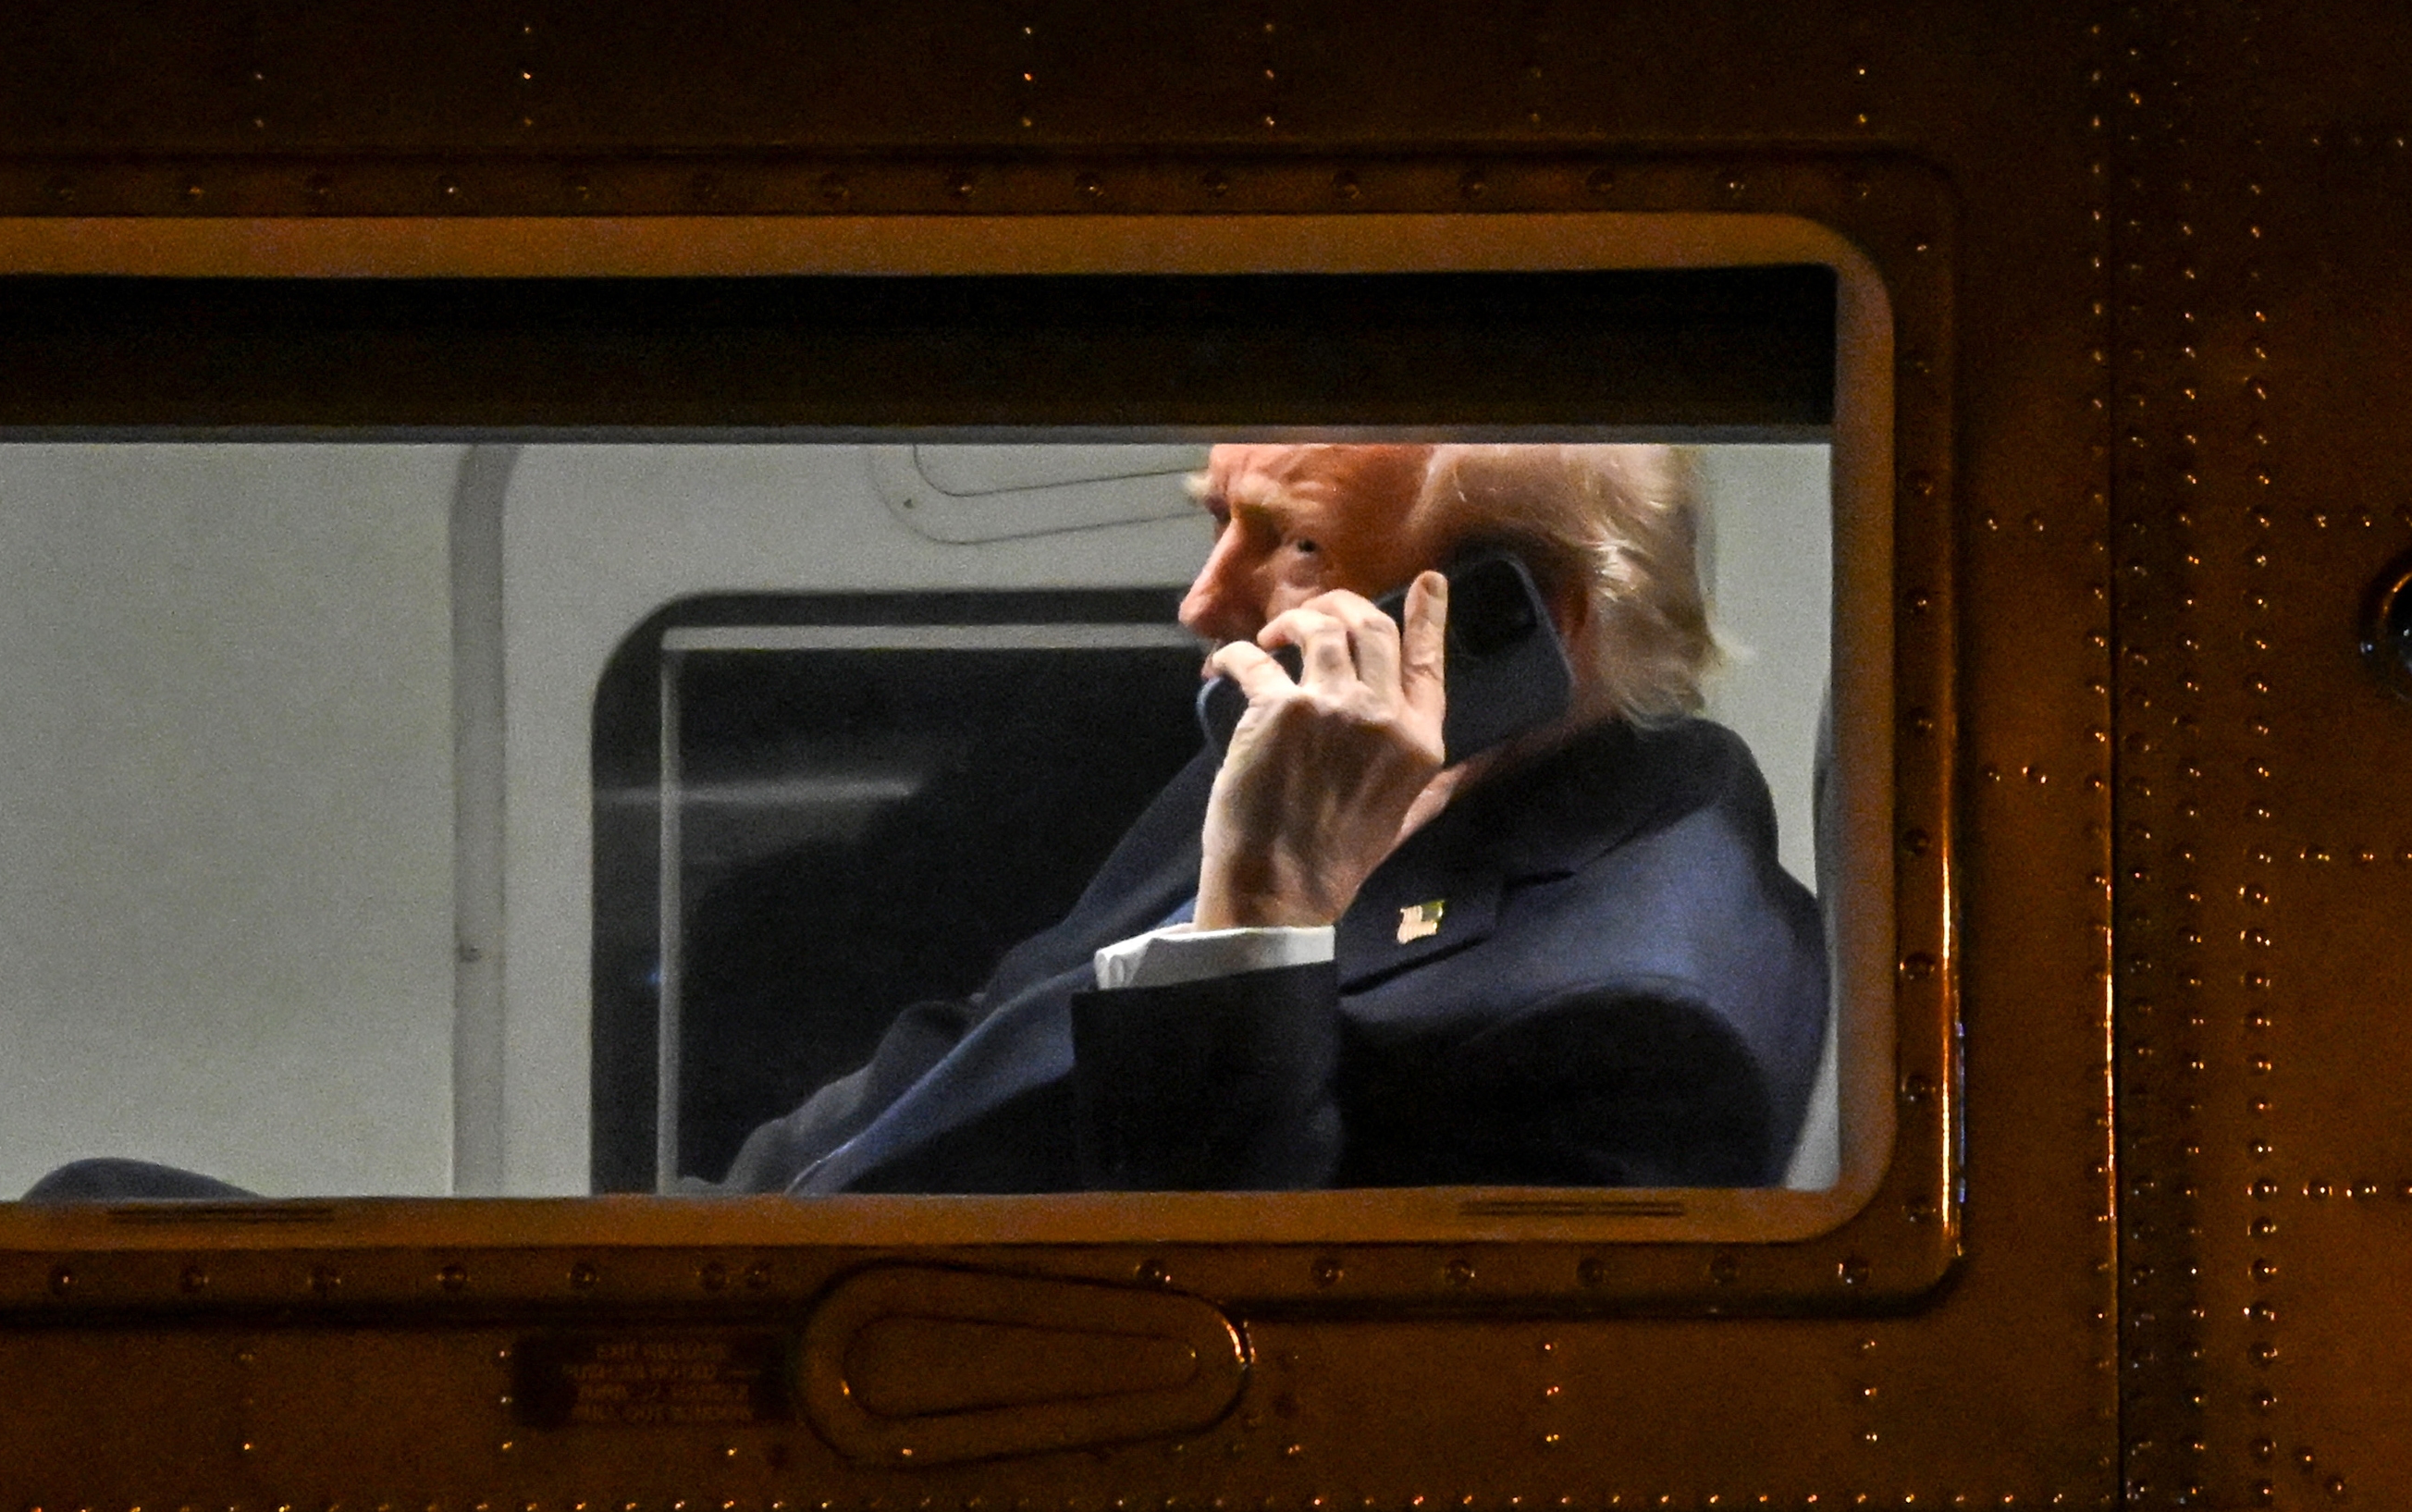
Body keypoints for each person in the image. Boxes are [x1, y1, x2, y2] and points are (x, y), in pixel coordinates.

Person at [720, 440, 1829, 1196]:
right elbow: (990, 1030)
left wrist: (1265, 916)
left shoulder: (1640, 1022)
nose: (1201, 601)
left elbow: (1234, 1317)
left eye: (1294, 545)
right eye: (1216, 523)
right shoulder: (1335, 745)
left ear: (1526, 616)